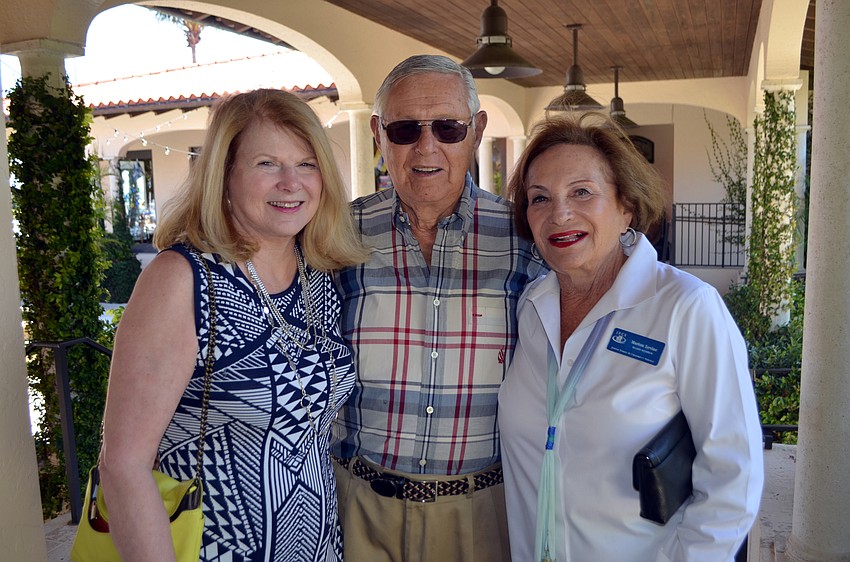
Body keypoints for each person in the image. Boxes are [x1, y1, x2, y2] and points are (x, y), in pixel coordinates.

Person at [99, 88, 367, 561]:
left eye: (306, 164)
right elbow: (123, 465)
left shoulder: (319, 275)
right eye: (267, 164)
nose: (291, 183)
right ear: (224, 176)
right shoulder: (182, 279)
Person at [500, 113, 764, 561]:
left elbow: (733, 477)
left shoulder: (684, 307)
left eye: (582, 192)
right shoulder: (532, 308)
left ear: (626, 206)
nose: (559, 213)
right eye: (539, 198)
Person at [331, 54, 546, 562]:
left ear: (476, 131)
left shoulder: (525, 236)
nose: (426, 146)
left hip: (482, 513)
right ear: (379, 134)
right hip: (358, 510)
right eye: (406, 129)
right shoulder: (336, 235)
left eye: (448, 127)